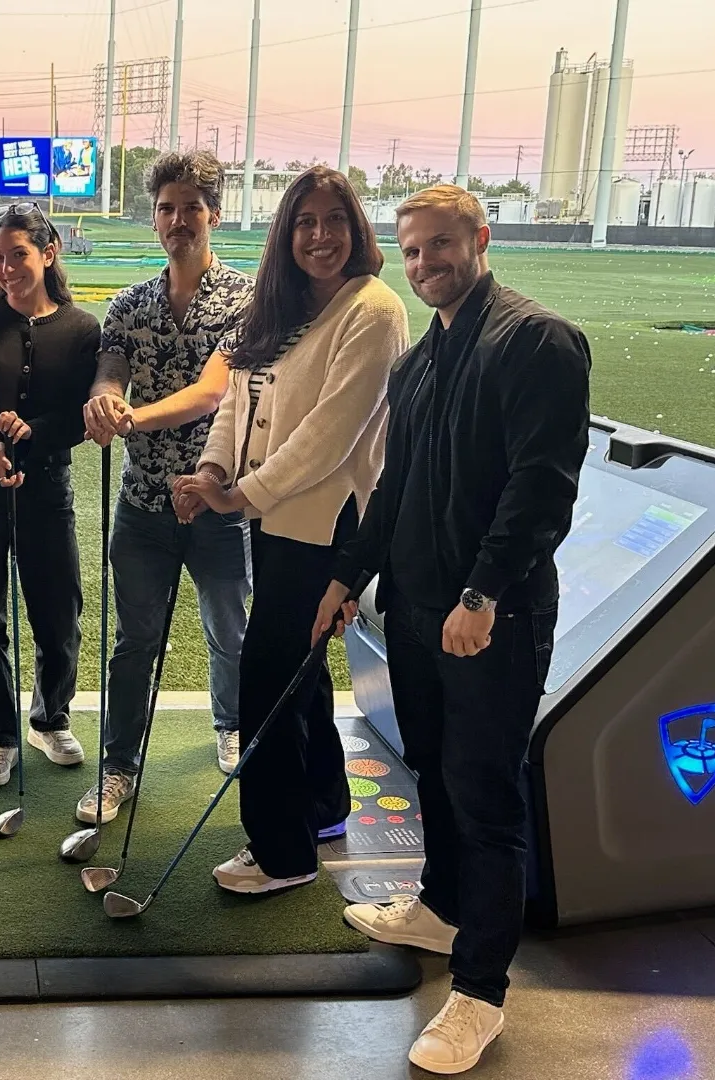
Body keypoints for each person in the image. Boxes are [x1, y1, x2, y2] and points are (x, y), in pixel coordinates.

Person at [315, 185, 590, 1074]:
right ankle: (438, 906)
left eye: (440, 246)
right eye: (412, 250)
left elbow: (541, 490)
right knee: (433, 764)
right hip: (420, 610)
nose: (425, 263)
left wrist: (481, 596)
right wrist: (346, 576)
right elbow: (394, 488)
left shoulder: (536, 340)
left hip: (490, 616)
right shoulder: (420, 361)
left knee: (488, 800)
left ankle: (480, 992)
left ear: (480, 238)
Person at [173, 165, 408, 895]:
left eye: (334, 220)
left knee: (267, 677)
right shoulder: (276, 306)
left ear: (356, 228)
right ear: (286, 234)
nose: (320, 236)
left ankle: (283, 853)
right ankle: (324, 807)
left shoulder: (373, 309)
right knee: (301, 677)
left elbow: (329, 435)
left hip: (329, 526)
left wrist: (239, 494)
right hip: (276, 522)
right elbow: (236, 405)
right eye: (305, 222)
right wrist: (213, 474)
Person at [79, 149, 254, 825]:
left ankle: (230, 725)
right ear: (153, 217)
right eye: (166, 208)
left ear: (212, 212)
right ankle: (118, 767)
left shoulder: (245, 300)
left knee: (228, 632)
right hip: (143, 507)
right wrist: (103, 401)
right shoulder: (128, 304)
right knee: (135, 642)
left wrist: (127, 418)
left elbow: (213, 393)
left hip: (217, 502)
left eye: (191, 207)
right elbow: (109, 371)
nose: (178, 220)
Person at [0, 202, 99, 785]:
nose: (7, 268)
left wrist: (34, 435)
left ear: (49, 252)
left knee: (58, 611)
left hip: (46, 486)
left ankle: (49, 717)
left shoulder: (82, 330)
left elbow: (83, 415)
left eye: (19, 255)